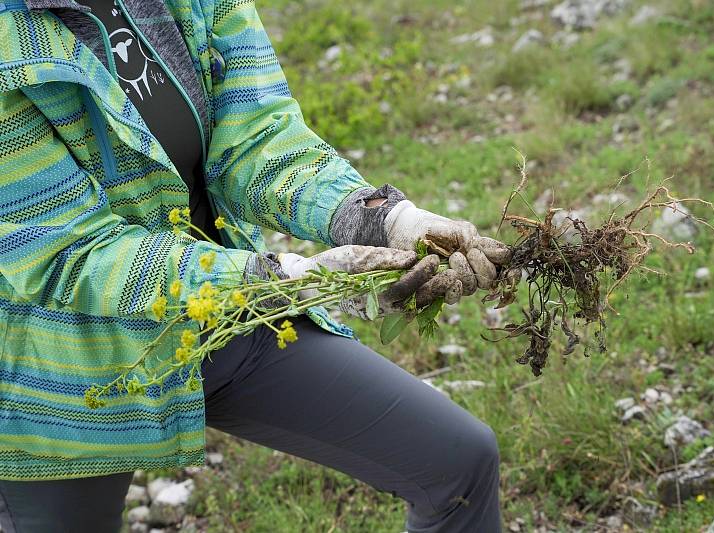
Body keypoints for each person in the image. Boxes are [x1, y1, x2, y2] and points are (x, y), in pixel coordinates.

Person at [0, 1, 510, 531]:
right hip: (61, 378)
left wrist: (383, 220)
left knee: (457, 463)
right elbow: (70, 252)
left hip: (229, 316)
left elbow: (257, 132)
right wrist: (278, 282)